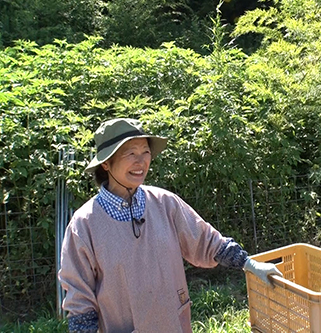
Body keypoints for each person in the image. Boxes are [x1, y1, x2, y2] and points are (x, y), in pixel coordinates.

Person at [58, 118, 282, 333]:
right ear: (106, 163)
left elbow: (206, 241)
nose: (141, 162)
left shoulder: (165, 203)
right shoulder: (84, 224)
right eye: (130, 154)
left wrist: (249, 264)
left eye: (145, 152)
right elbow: (80, 297)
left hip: (173, 323)